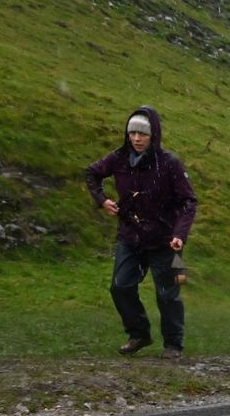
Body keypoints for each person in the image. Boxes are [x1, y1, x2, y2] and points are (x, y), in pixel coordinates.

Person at [84, 107, 198, 359]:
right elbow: (91, 173)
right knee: (120, 286)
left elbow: (188, 201)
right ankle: (139, 334)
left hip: (165, 240)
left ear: (153, 135)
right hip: (130, 236)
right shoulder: (118, 158)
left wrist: (180, 233)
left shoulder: (169, 163)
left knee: (168, 293)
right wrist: (102, 200)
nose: (137, 139)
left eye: (143, 134)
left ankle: (173, 345)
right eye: (132, 133)